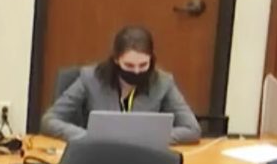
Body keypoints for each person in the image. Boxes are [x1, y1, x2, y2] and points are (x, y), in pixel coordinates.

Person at [43, 25, 201, 144]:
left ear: (151, 60)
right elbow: (50, 120)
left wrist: (150, 139)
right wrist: (90, 136)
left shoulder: (163, 82)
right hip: (98, 154)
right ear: (116, 60)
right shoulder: (90, 78)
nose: (137, 71)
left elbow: (192, 129)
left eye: (143, 65)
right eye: (129, 66)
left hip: (143, 157)